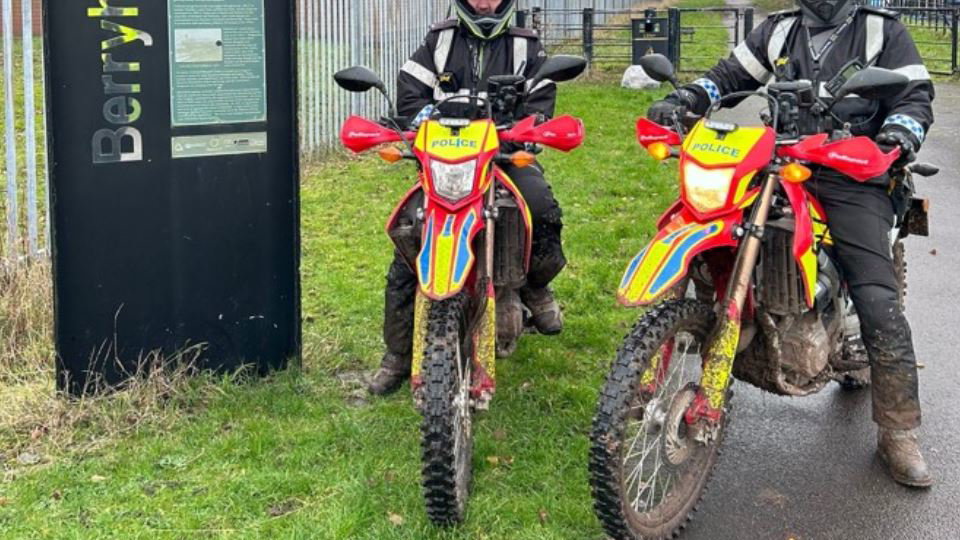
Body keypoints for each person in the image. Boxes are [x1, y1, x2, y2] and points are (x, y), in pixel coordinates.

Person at [647, 0, 934, 487]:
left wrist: (896, 135)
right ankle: (667, 359)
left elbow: (915, 95)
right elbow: (728, 75)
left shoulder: (880, 30)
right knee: (712, 227)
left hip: (851, 170)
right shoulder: (779, 30)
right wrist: (687, 98)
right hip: (779, 158)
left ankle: (898, 432)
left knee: (877, 300)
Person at [368, 0, 567, 396]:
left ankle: (535, 285)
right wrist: (423, 120)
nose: (484, 2)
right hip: (448, 161)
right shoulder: (438, 41)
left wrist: (528, 128)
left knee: (541, 209)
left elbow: (541, 103)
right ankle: (398, 354)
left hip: (506, 157)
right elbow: (409, 96)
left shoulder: (526, 45)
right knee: (409, 235)